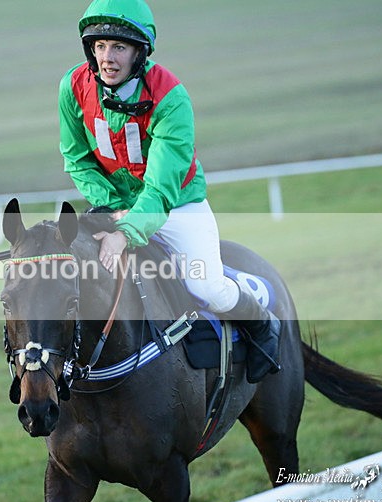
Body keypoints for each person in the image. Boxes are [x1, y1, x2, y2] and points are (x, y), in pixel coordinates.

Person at [58, 0, 280, 382]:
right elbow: (76, 158)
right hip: (113, 205)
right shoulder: (72, 86)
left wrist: (127, 230)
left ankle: (262, 323)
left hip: (177, 206)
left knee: (206, 286)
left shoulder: (171, 96)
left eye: (119, 47)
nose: (107, 58)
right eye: (99, 46)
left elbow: (161, 189)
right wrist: (114, 209)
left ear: (140, 52)